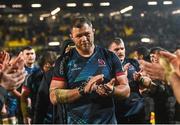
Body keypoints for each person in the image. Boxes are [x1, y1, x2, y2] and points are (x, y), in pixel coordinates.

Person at [49, 16, 130, 124]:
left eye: (87, 34)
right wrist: (82, 90)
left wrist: (112, 91)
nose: (84, 39)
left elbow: (126, 90)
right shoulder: (64, 61)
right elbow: (53, 96)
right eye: (79, 36)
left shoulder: (109, 56)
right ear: (71, 37)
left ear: (93, 32)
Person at [108, 37, 152, 123]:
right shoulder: (105, 67)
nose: (120, 51)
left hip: (137, 109)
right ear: (109, 52)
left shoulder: (133, 62)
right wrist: (121, 79)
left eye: (122, 48)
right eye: (116, 49)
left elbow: (148, 83)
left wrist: (141, 79)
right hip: (117, 112)